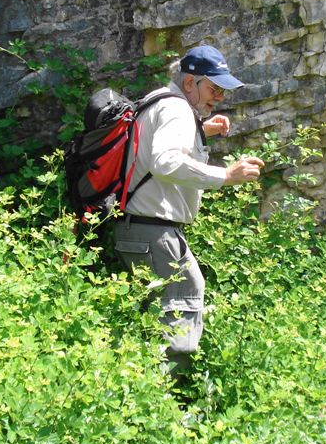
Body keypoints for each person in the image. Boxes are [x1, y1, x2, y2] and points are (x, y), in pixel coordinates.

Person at [112, 45, 264, 374]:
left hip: (139, 229)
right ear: (190, 83)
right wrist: (226, 176)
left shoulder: (160, 101)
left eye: (222, 91)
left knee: (160, 312)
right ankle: (164, 401)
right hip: (154, 231)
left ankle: (138, 388)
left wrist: (201, 130)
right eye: (213, 89)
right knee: (184, 301)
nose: (219, 97)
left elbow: (150, 149)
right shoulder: (177, 110)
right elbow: (164, 161)